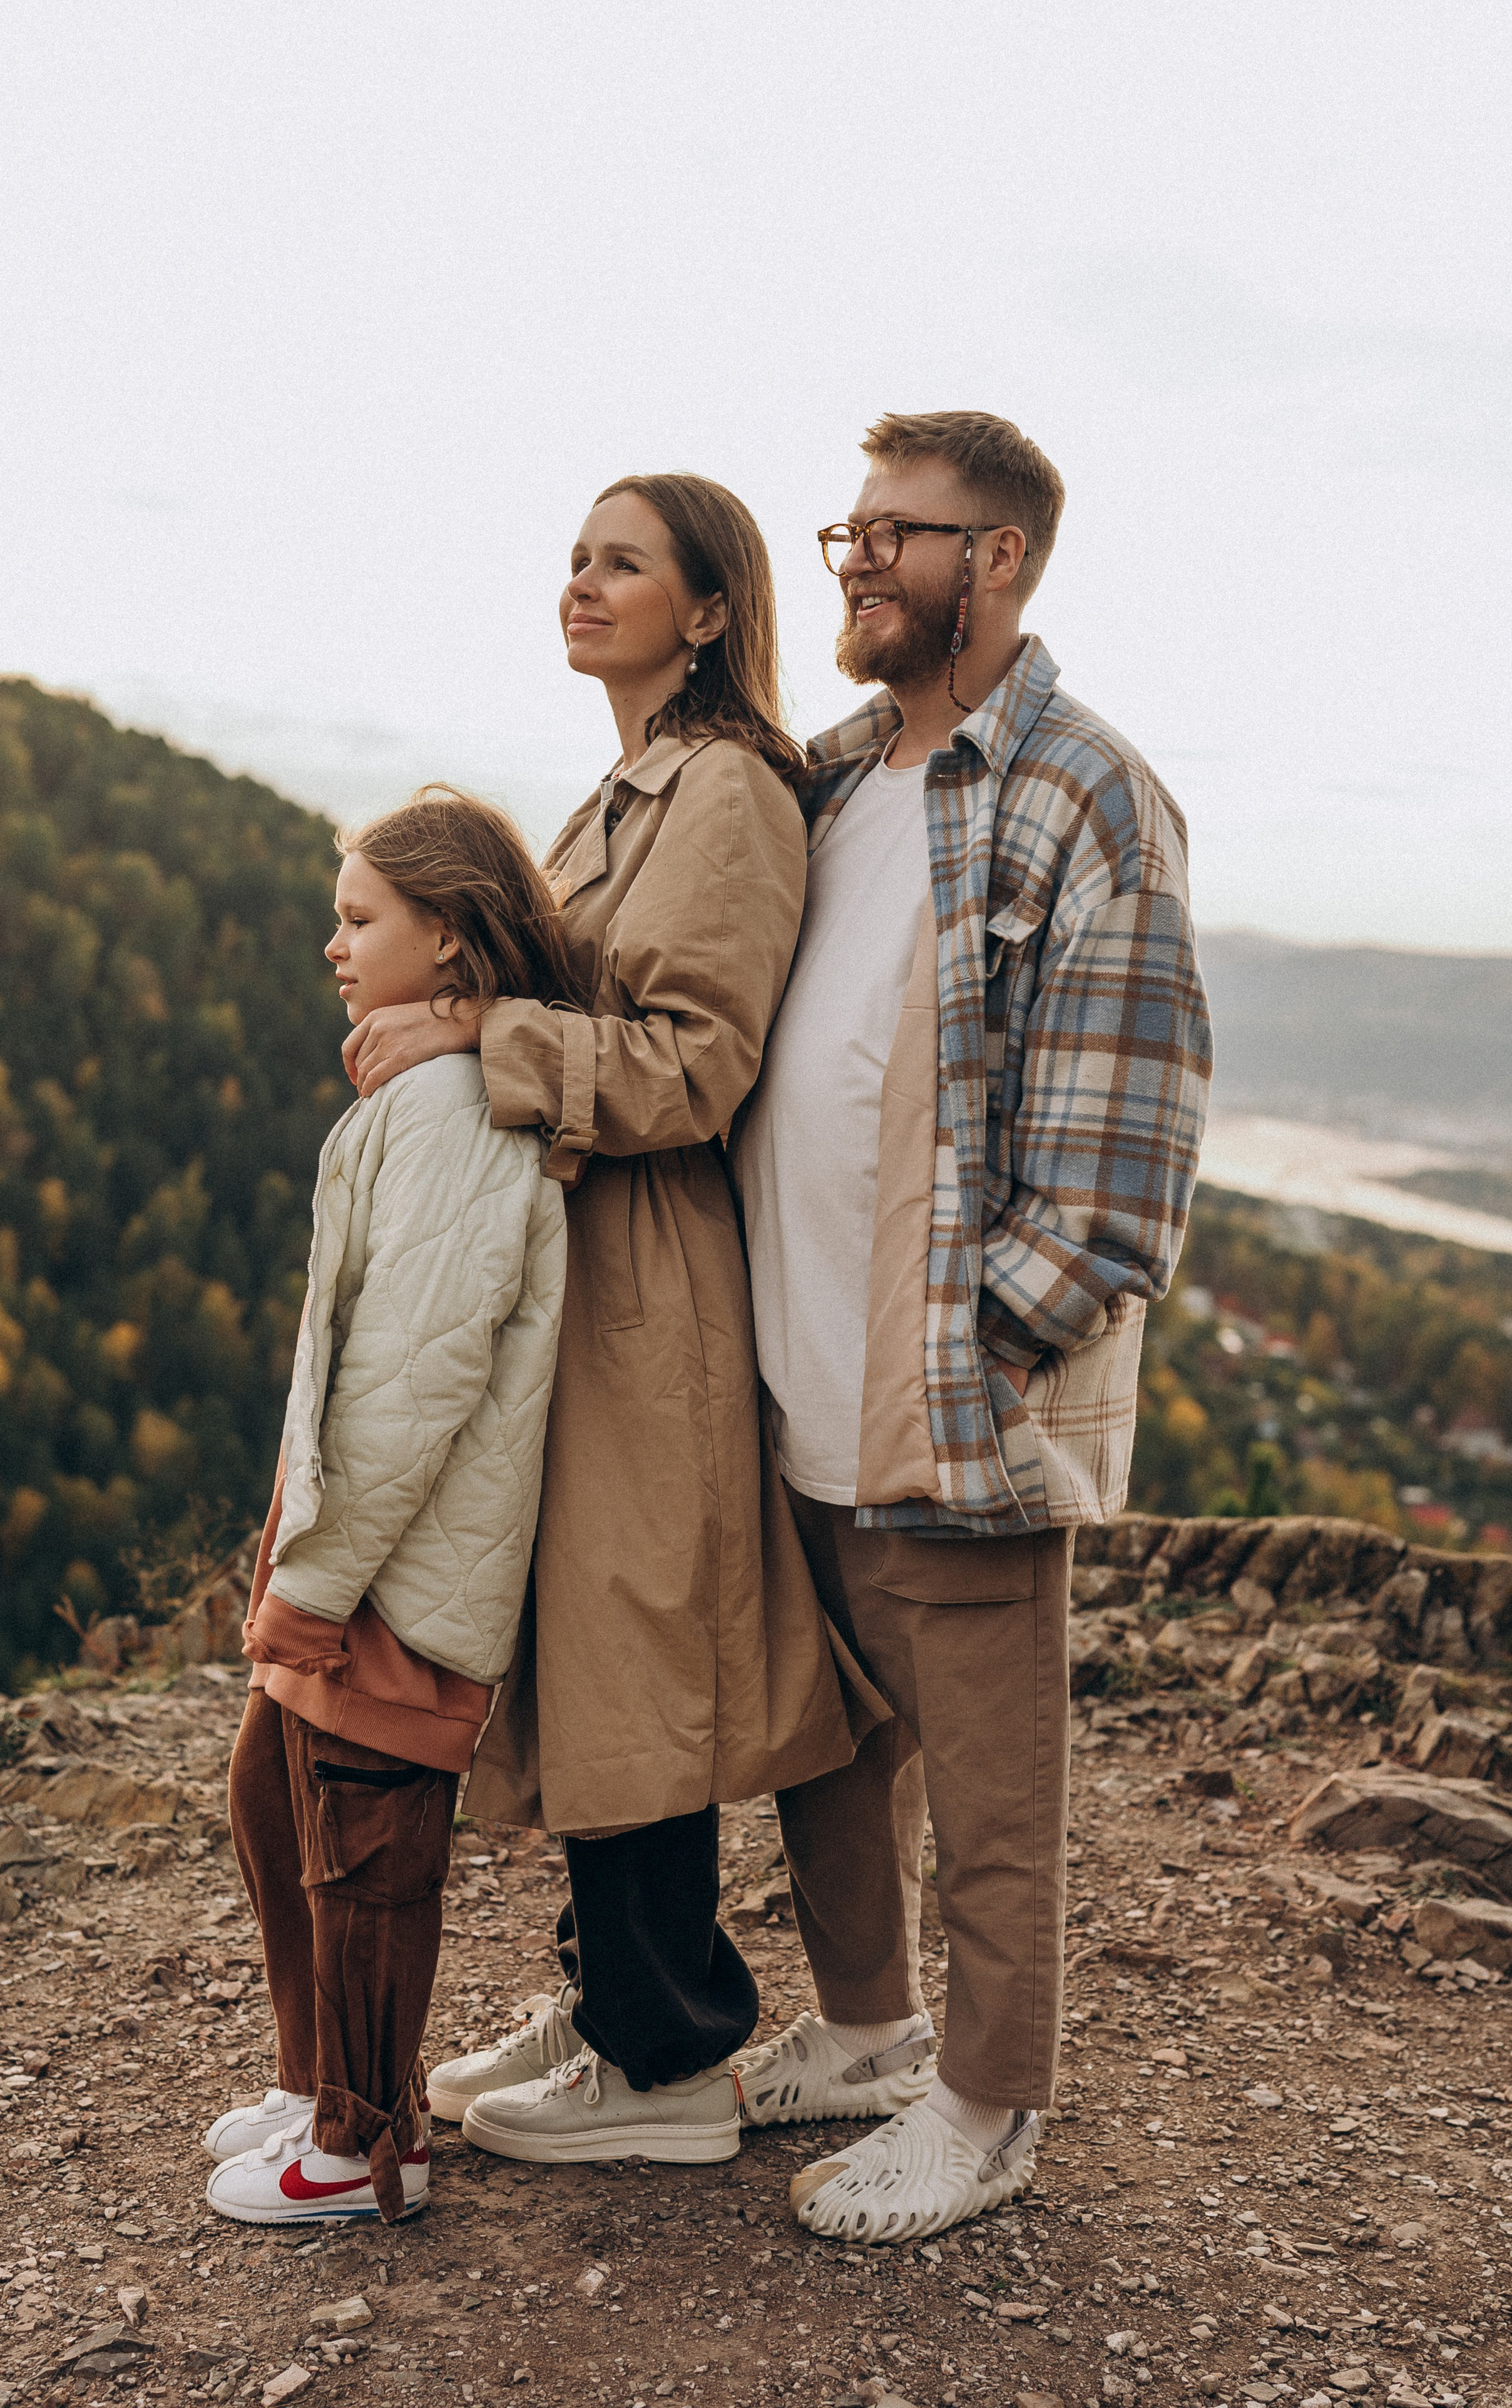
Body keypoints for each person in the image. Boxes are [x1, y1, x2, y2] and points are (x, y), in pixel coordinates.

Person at [731, 411, 1213, 2241]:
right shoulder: (838, 777)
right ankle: (865, 2032)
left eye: (894, 534)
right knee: (834, 1749)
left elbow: (1122, 1167)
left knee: (993, 1799)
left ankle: (990, 2103)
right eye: (845, 529)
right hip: (796, 1373)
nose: (851, 559)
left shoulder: (1087, 791)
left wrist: (982, 1357)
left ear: (994, 560)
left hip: (947, 1396)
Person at [341, 474, 860, 2166]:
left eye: (623, 563)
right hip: (587, 1278)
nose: (582, 582)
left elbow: (702, 1066)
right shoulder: (619, 792)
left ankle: (671, 2063)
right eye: (576, 556)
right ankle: (613, 2004)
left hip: (656, 1286)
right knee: (587, 1648)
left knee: (638, 1655)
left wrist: (480, 1042)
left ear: (711, 610)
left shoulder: (727, 794)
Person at [203, 788, 570, 2224]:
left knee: (363, 1838)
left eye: (361, 921)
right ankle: (316, 2086)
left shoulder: (459, 1115)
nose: (332, 945)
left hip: (404, 1569)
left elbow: (415, 1377)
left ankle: (365, 2149)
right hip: (353, 1546)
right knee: (269, 1791)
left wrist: (323, 1572)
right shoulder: (414, 1099)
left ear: (455, 943)